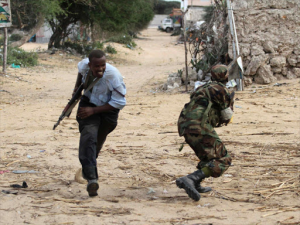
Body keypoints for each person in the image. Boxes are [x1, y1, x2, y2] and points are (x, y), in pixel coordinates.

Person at [176, 64, 235, 201]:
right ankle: (191, 179)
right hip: (199, 125)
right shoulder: (221, 90)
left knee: (208, 155)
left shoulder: (202, 87)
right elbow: (227, 115)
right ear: (225, 76)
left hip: (184, 124)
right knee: (223, 159)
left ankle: (195, 183)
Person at [73, 50, 126, 197]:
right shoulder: (84, 65)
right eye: (97, 66)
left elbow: (119, 102)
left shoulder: (113, 76)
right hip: (88, 103)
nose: (100, 69)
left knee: (96, 142)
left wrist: (94, 111)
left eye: (103, 65)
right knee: (88, 136)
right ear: (90, 65)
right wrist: (77, 88)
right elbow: (80, 70)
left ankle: (86, 168)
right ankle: (92, 179)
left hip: (109, 110)